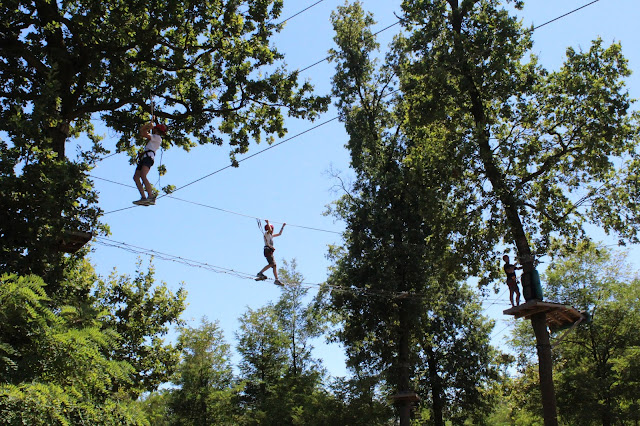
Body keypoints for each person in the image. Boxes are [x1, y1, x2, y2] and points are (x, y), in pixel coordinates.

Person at [133, 120, 167, 206]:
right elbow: (142, 132)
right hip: (145, 157)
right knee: (136, 177)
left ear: (156, 131)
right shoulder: (154, 138)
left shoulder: (157, 137)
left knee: (143, 175)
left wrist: (148, 126)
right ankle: (143, 198)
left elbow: (143, 133)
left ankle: (151, 197)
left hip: (148, 158)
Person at [256, 220, 286, 286]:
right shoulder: (266, 233)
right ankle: (260, 273)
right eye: (272, 229)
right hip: (267, 250)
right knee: (272, 264)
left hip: (269, 251)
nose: (272, 230)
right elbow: (269, 229)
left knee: (274, 265)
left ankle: (276, 279)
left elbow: (279, 234)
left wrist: (283, 226)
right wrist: (268, 223)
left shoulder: (271, 235)